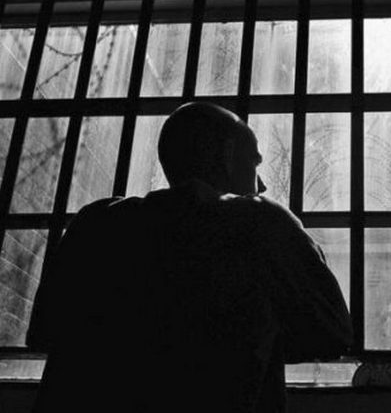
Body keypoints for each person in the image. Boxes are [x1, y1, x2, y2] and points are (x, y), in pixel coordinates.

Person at [26, 102, 352, 413]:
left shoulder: (95, 223)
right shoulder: (259, 223)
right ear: (226, 156)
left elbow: (43, 331)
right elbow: (333, 332)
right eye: (254, 163)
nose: (262, 184)